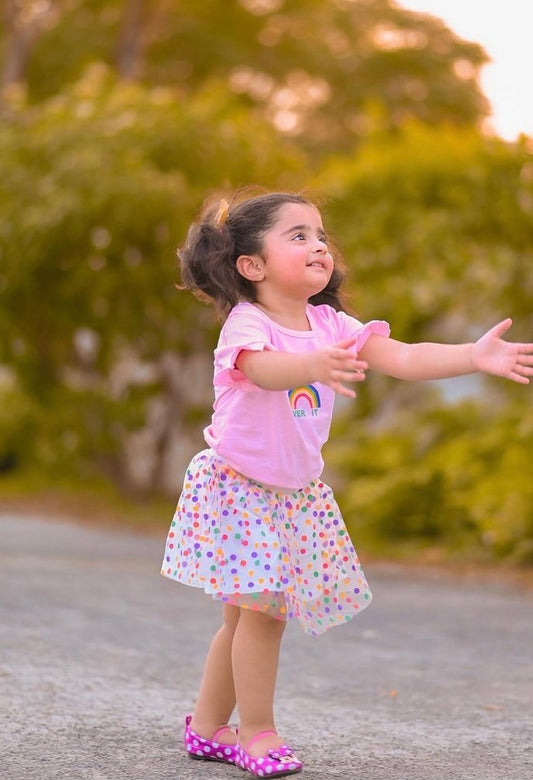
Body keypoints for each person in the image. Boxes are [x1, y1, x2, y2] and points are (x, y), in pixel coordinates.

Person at [161, 191, 533, 778]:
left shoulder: (330, 323)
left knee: (242, 617)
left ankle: (207, 728)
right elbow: (261, 370)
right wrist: (311, 365)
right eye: (298, 235)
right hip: (239, 488)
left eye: (320, 235)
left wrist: (473, 355)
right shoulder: (249, 323)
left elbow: (406, 357)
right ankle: (257, 733)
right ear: (252, 266)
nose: (319, 246)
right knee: (262, 615)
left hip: (293, 494)